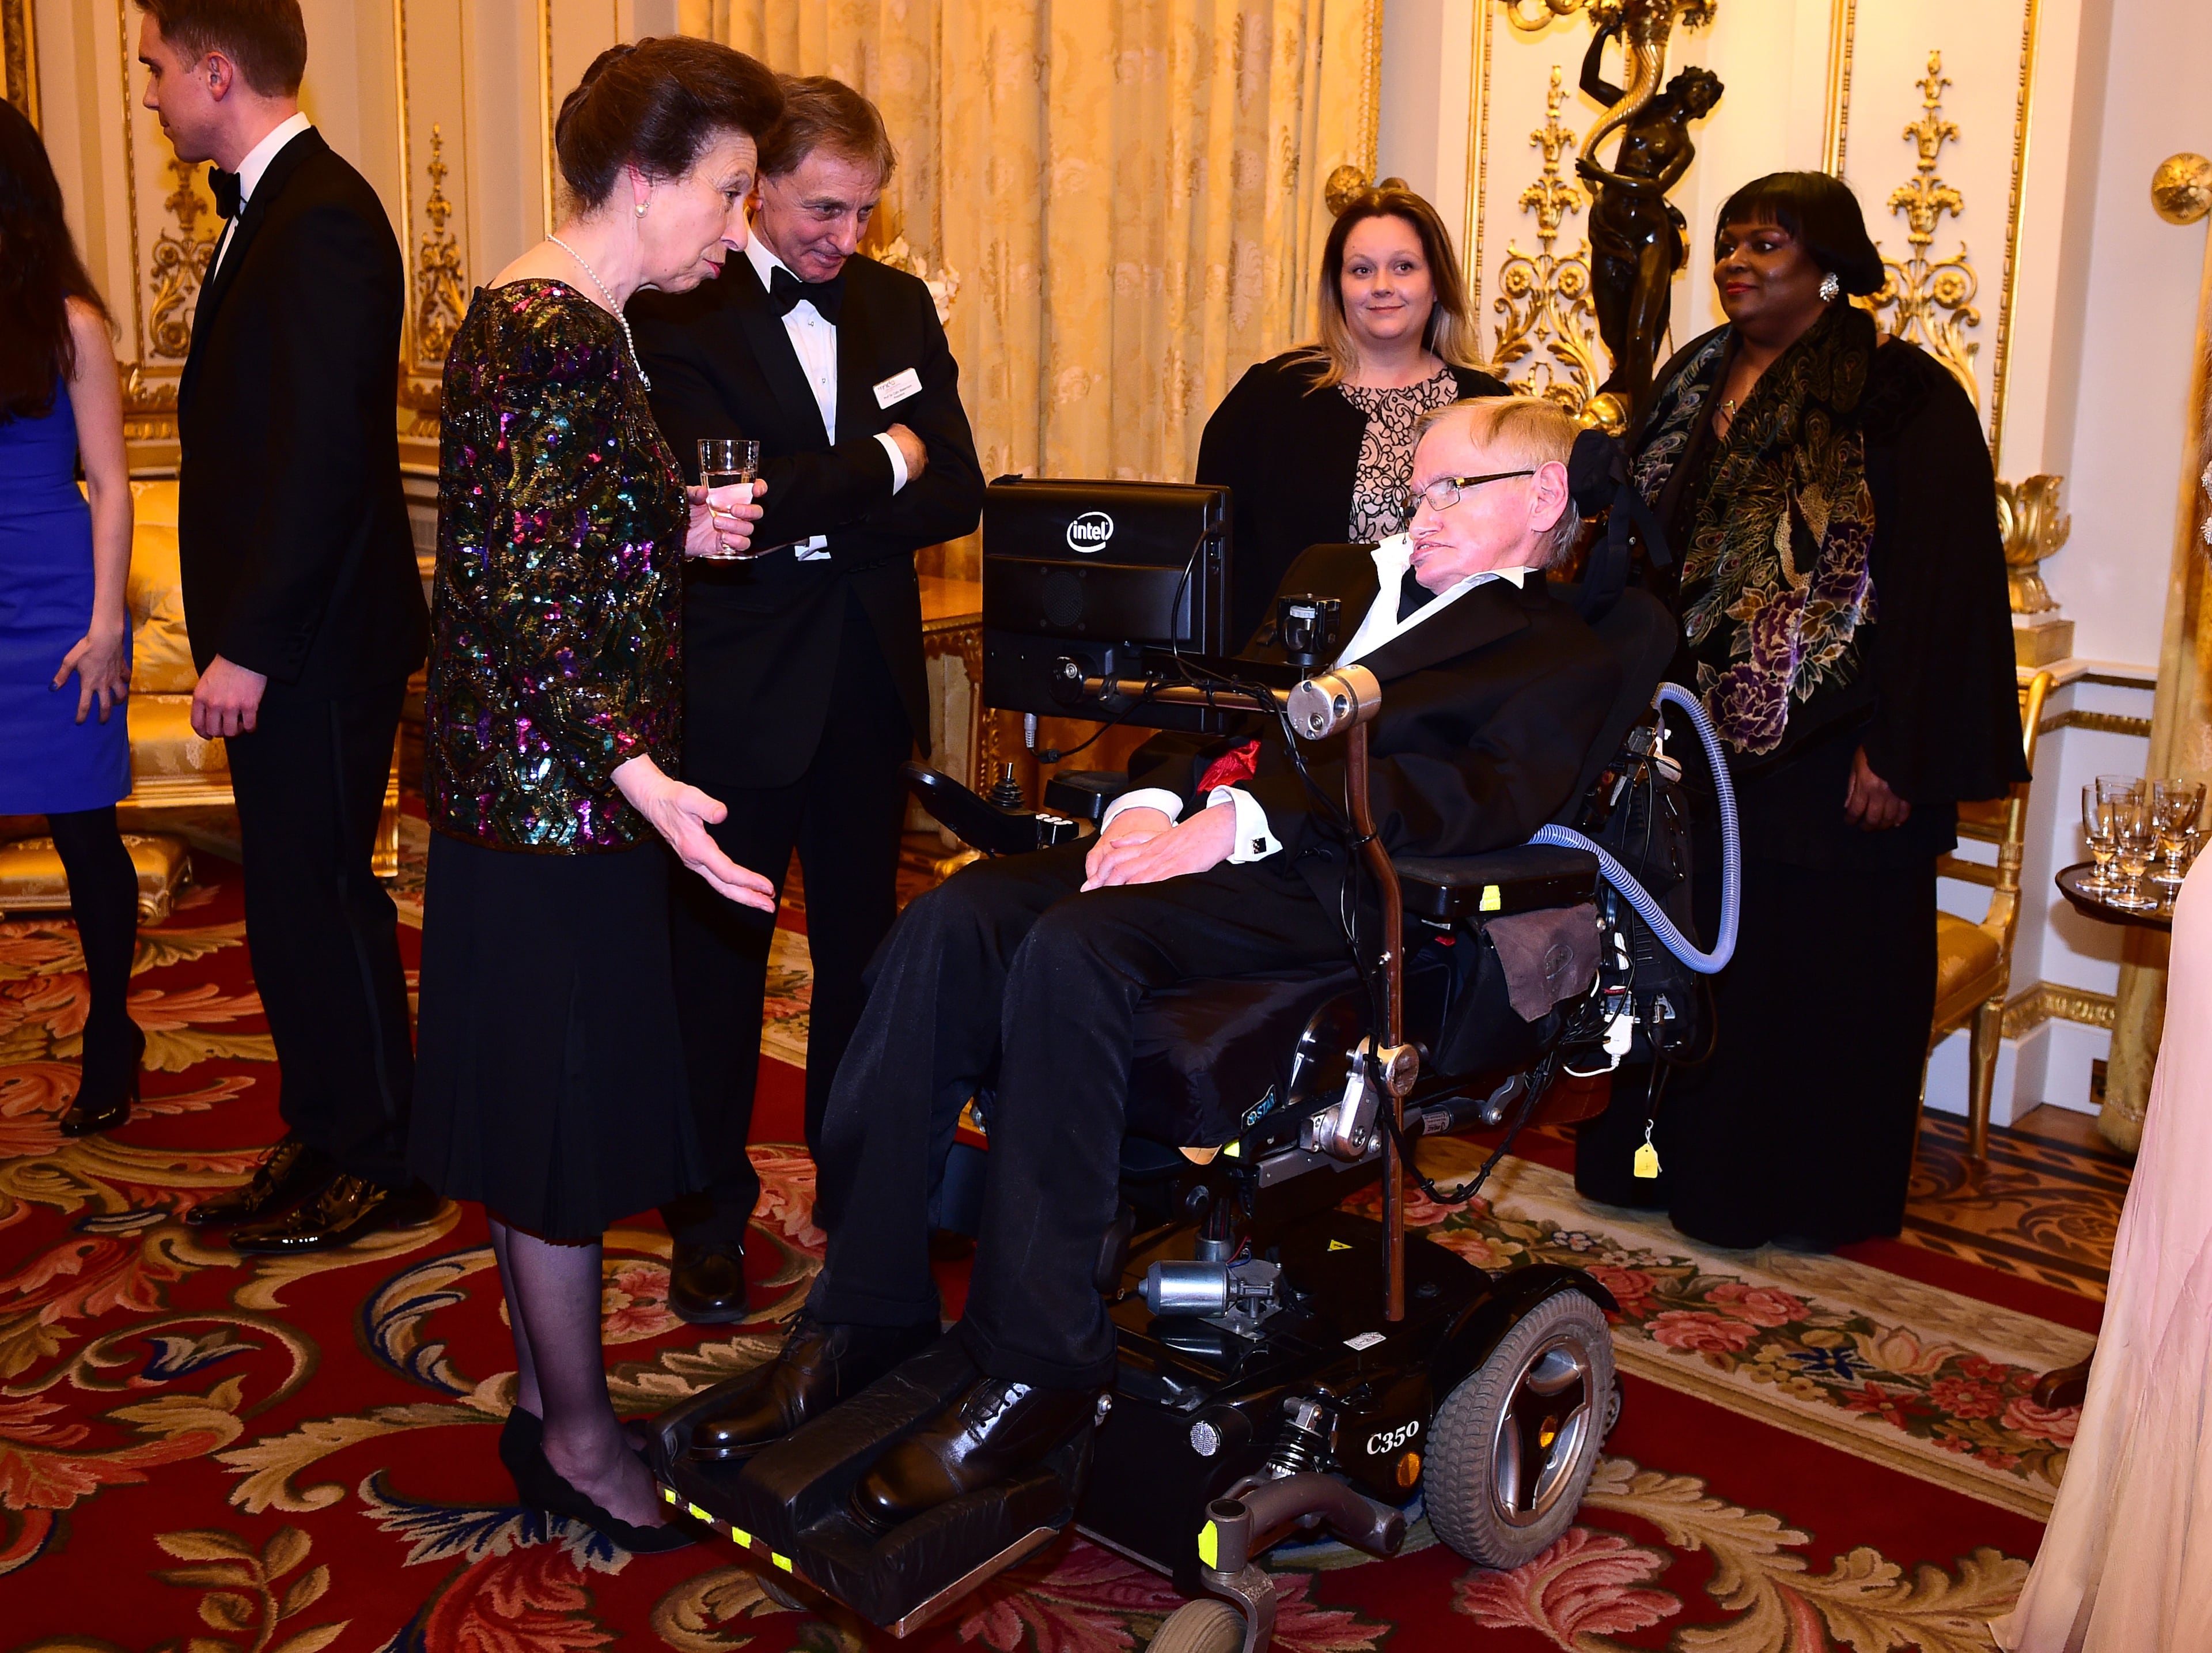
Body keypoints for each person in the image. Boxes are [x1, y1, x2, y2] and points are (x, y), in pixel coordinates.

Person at [684, 397, 1619, 1525]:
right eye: (1412, 489)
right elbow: (1212, 709)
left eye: (1447, 491)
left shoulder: (1562, 651)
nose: (1415, 513)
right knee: (954, 919)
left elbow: (1479, 801)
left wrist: (1240, 822)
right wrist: (1145, 803)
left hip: (1332, 887)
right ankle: (865, 1309)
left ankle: (1039, 1362)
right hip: (1196, 842)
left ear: (1545, 498)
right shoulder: (1346, 579)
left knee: (1080, 947)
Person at [408, 37, 783, 1550]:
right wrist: (652, 787)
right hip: (561, 804)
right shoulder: (552, 327)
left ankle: (558, 1405)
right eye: (728, 190)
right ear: (639, 180)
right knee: (555, 1130)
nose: (740, 224)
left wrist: (667, 523)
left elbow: (549, 538)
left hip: (542, 794)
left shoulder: (568, 318)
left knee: (538, 1121)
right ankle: (575, 1433)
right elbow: (520, 602)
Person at [1572, 172, 2024, 1249]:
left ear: (1828, 262)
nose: (1737, 261)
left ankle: (1807, 1198)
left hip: (1837, 762)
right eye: (1728, 243)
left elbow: (1943, 585)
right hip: (1689, 749)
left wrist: (1900, 749)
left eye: (1766, 242)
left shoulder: (1904, 395)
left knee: (1812, 987)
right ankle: (1667, 1174)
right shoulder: (1688, 379)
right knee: (1691, 966)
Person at [629, 77, 985, 1326]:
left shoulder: (893, 304)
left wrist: (828, 499)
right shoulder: (685, 305)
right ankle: (705, 1215)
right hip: (735, 692)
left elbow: (962, 492)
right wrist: (885, 462)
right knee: (714, 967)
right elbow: (725, 497)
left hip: (865, 685)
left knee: (864, 961)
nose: (848, 238)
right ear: (757, 185)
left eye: (866, 212)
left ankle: (858, 1186)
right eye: (826, 209)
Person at [136, 0, 433, 1253]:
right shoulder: (274, 207)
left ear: (216, 69)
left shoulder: (324, 217)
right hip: (291, 633)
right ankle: (324, 1130)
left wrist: (250, 643)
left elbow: (320, 461)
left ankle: (386, 1154)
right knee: (288, 905)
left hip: (313, 641)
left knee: (324, 896)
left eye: (154, 68)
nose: (147, 94)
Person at [0, 102, 142, 1138]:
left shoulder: (72, 323)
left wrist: (104, 625)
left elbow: (112, 483)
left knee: (86, 836)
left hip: (57, 610)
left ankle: (112, 1030)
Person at [1196, 186, 1508, 649]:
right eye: (1362, 270)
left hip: (1449, 675)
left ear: (1437, 282)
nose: (1382, 285)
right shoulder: (1270, 397)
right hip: (1294, 679)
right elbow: (1213, 561)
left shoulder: (1487, 405)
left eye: (1404, 266)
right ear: (1338, 287)